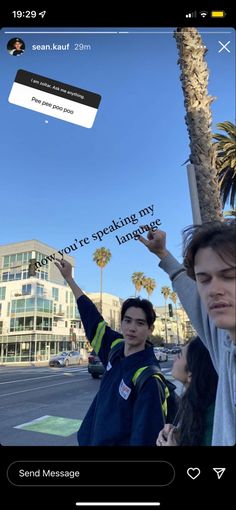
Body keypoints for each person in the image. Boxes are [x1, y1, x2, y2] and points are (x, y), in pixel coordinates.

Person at [54, 257, 175, 445]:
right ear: (122, 322)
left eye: (140, 323)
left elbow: (144, 440)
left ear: (150, 329)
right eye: (127, 320)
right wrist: (69, 278)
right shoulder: (115, 347)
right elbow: (92, 318)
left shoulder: (148, 379)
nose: (132, 328)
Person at [138, 221, 236, 446]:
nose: (213, 290)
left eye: (229, 275)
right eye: (204, 279)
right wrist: (162, 254)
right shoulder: (223, 344)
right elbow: (191, 295)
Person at [156, 336, 218, 446]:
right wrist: (178, 435)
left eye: (179, 355)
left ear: (191, 373)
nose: (174, 357)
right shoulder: (194, 402)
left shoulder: (213, 416)